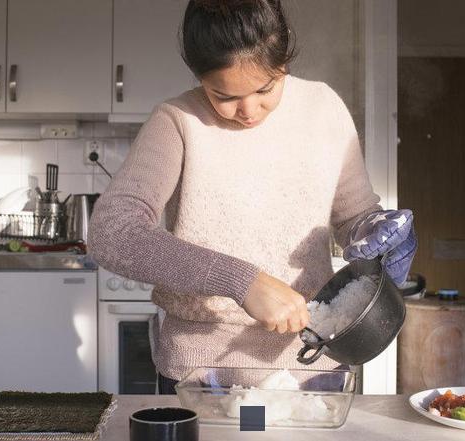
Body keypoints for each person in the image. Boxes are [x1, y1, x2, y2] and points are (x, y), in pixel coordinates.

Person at [88, 0, 416, 394]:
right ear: (198, 75)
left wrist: (375, 230)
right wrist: (242, 282)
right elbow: (111, 232)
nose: (248, 110)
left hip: (312, 366)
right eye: (223, 95)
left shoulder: (324, 109)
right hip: (203, 371)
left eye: (265, 88)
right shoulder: (176, 122)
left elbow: (354, 216)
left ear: (284, 61)